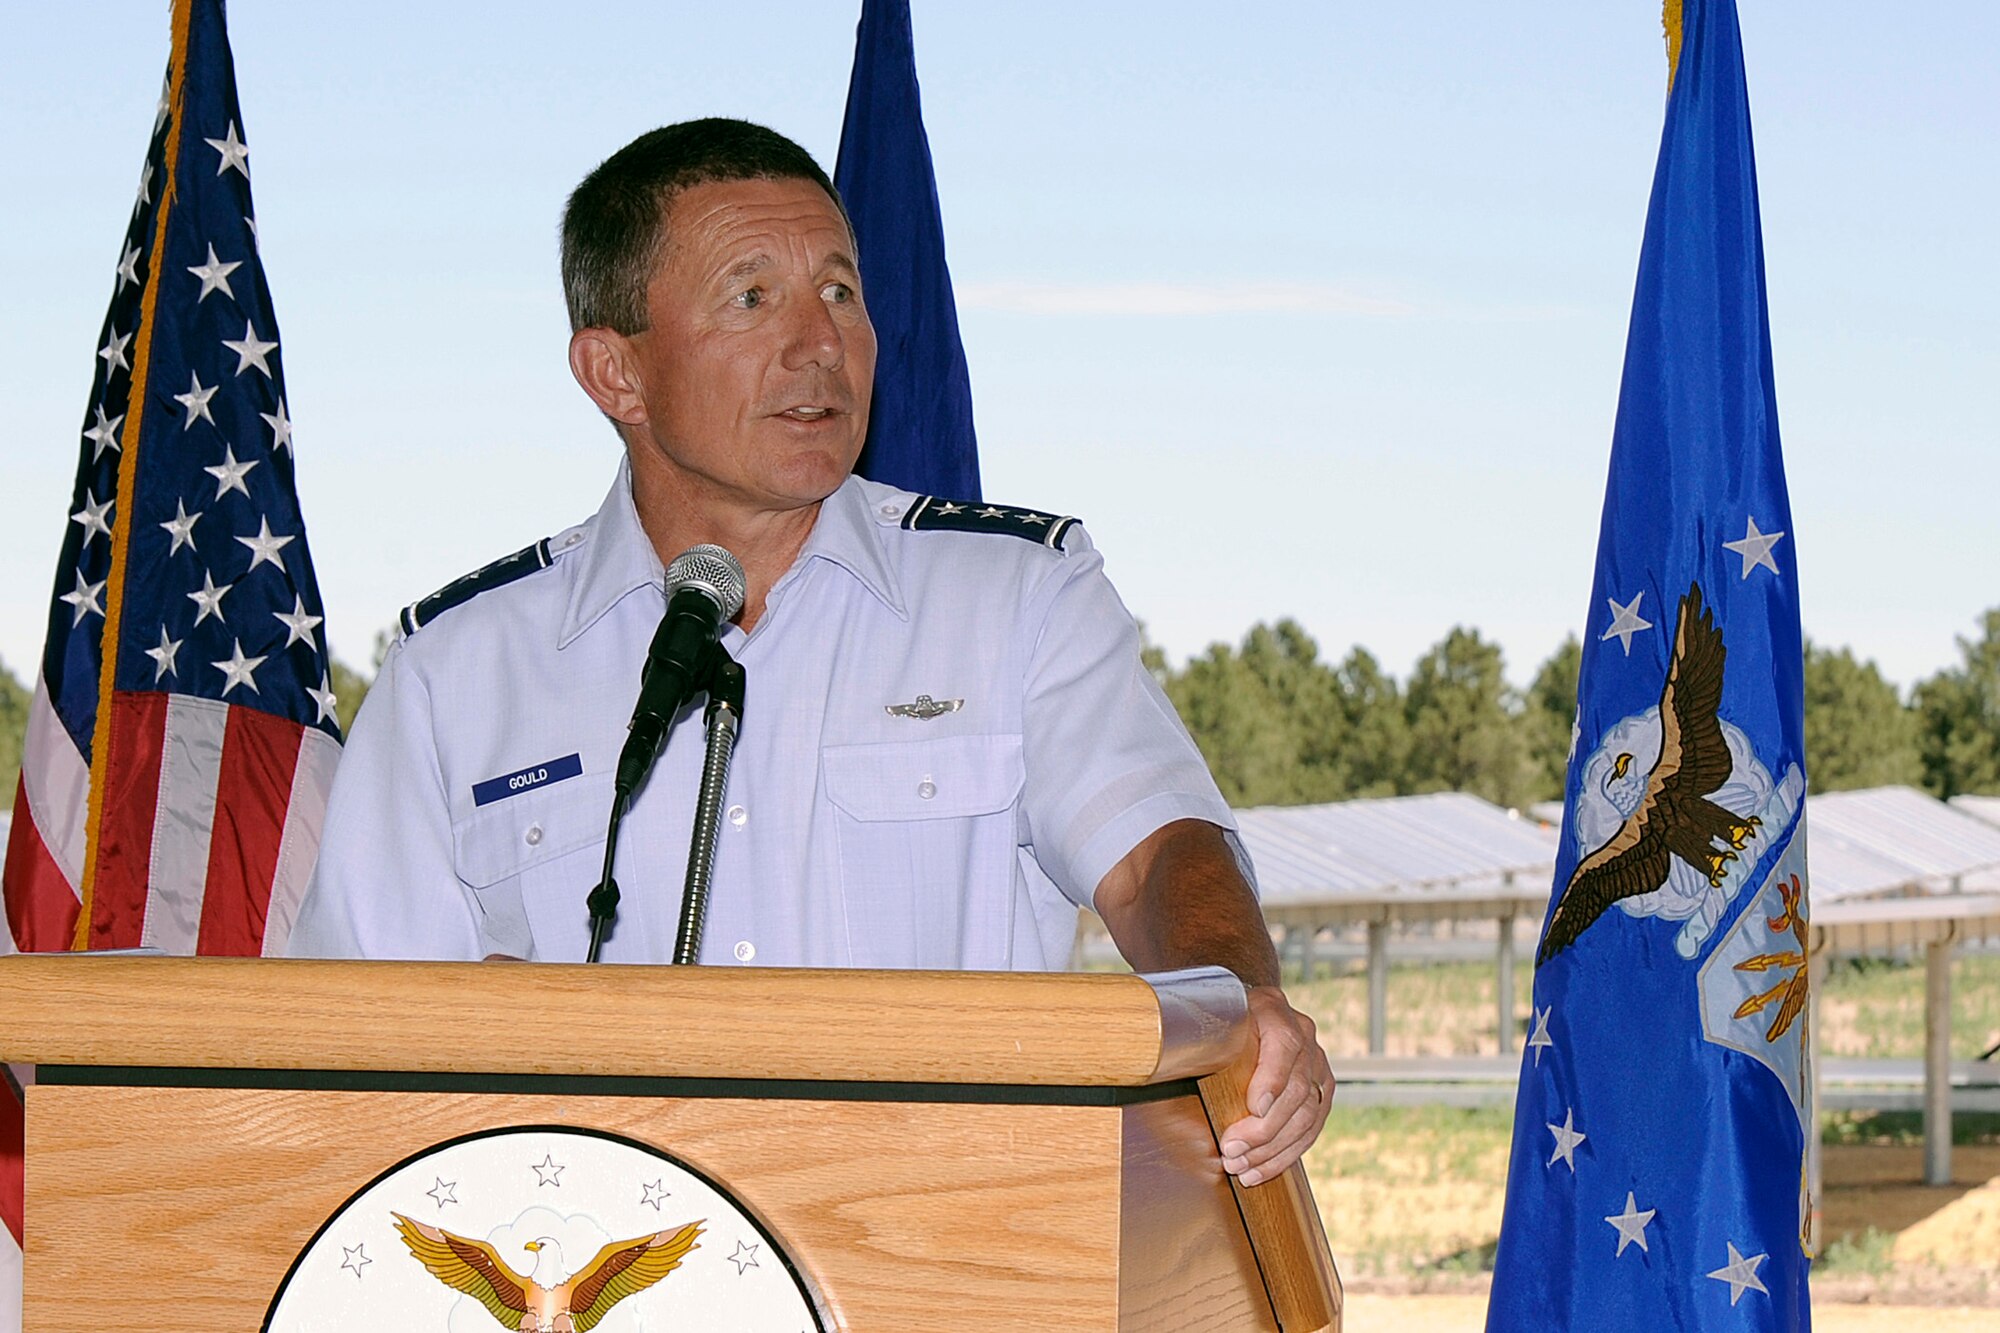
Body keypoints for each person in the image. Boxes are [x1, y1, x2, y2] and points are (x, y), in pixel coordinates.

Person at [289, 119, 1332, 1187]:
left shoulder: (1017, 596)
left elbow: (1159, 852)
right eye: (751, 298)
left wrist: (1240, 994)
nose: (818, 343)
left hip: (949, 1254)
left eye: (838, 292)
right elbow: (347, 1040)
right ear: (616, 375)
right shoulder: (454, 676)